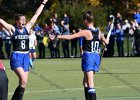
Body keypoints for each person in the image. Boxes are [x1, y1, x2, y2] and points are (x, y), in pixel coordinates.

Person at [55, 11, 109, 100]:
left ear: (86, 21)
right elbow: (106, 42)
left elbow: (70, 37)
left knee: (90, 84)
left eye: (83, 20)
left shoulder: (86, 32)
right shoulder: (99, 31)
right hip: (96, 57)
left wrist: (58, 36)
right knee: (85, 82)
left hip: (89, 57)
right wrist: (106, 41)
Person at [0, 0, 48, 100]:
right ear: (17, 21)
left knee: (23, 84)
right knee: (23, 80)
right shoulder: (13, 29)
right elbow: (3, 22)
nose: (24, 21)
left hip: (26, 57)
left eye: (24, 20)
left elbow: (36, 14)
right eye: (21, 20)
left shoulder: (27, 28)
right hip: (16, 57)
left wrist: (43, 3)